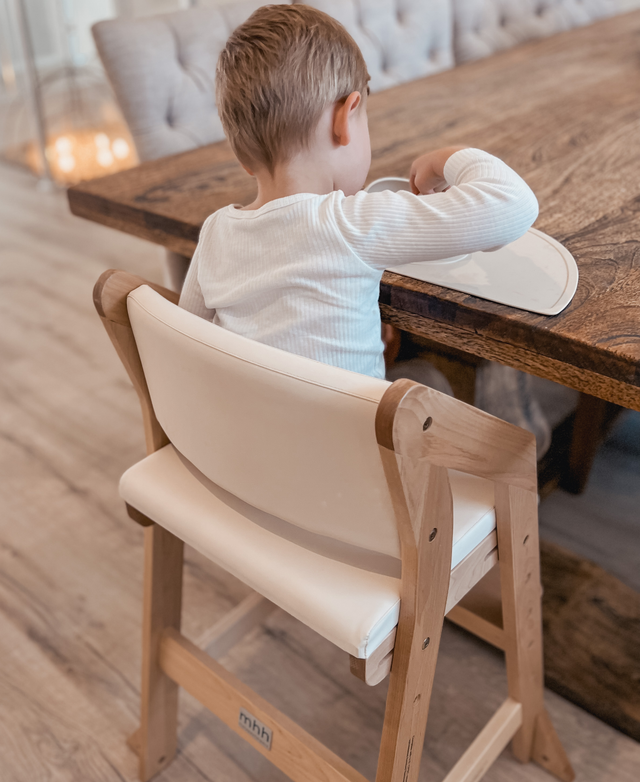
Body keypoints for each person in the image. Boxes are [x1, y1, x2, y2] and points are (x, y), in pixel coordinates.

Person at [180, 4, 546, 445]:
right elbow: (512, 205)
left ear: (241, 155)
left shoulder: (216, 232)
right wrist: (448, 157)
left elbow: (186, 341)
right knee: (438, 382)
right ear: (345, 118)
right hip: (351, 486)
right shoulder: (349, 221)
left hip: (250, 461)